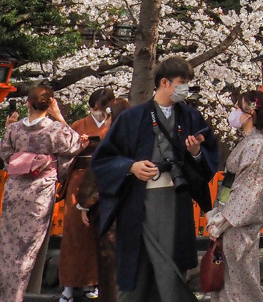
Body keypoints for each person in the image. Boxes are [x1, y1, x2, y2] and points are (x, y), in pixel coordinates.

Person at [92, 56, 219, 302]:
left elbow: (208, 161)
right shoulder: (133, 117)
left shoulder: (191, 117)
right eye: (182, 82)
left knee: (171, 260)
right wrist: (131, 167)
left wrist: (196, 153)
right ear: (165, 83)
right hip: (140, 202)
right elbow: (103, 159)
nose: (185, 88)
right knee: (138, 270)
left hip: (176, 200)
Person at [0, 85, 87, 302]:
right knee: (28, 248)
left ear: (28, 103)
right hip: (39, 192)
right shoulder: (56, 130)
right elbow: (76, 144)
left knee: (8, 245)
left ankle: (6, 294)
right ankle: (17, 296)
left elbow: (5, 157)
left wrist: (8, 130)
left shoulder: (14, 129)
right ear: (50, 105)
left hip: (14, 190)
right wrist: (59, 117)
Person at [205, 90, 263, 302]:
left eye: (237, 108)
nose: (234, 112)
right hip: (230, 218)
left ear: (250, 112)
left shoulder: (256, 144)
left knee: (240, 282)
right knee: (227, 281)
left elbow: (248, 189)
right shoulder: (249, 141)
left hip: (237, 223)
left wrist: (222, 221)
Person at [60, 87, 116, 302]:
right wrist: (78, 146)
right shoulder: (78, 125)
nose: (96, 113)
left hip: (104, 181)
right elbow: (65, 152)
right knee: (74, 233)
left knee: (99, 235)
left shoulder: (115, 124)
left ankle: (92, 282)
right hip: (79, 180)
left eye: (99, 109)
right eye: (92, 109)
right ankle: (68, 286)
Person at [74, 98, 132, 302]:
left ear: (111, 117)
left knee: (110, 268)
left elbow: (97, 178)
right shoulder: (139, 141)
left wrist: (84, 203)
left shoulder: (111, 143)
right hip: (135, 209)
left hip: (110, 209)